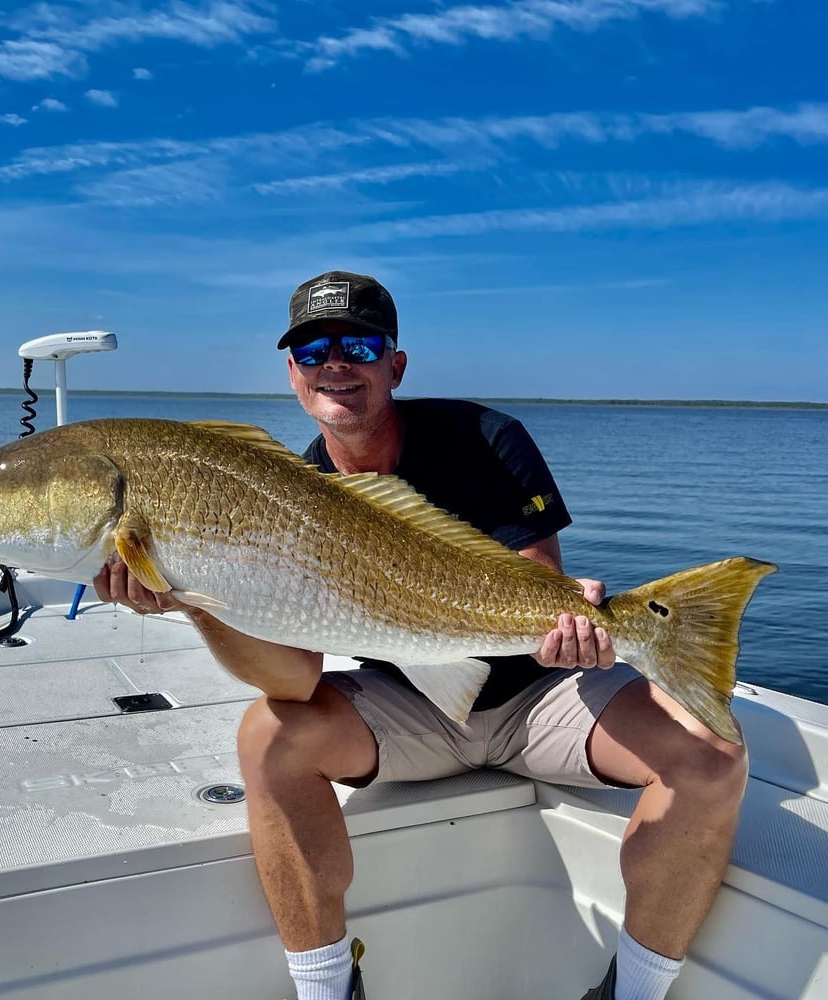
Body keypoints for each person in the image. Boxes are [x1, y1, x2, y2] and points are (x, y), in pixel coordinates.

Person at [93, 271, 747, 1000]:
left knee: (713, 758)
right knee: (267, 737)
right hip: (411, 708)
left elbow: (536, 589)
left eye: (359, 345)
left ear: (394, 365)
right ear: (291, 373)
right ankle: (327, 990)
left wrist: (575, 627)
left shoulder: (486, 438)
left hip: (543, 695)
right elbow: (295, 681)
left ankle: (634, 992)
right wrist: (192, 600)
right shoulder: (285, 488)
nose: (335, 363)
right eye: (311, 351)